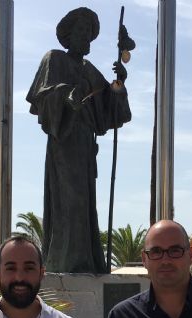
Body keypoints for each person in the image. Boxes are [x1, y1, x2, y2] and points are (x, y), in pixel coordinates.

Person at [26, 7, 131, 273]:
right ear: (69, 35)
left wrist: (119, 85)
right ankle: (66, 262)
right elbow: (43, 97)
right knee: (70, 202)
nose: (86, 38)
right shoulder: (55, 59)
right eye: (81, 32)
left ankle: (87, 261)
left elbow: (110, 109)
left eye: (89, 34)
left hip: (85, 143)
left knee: (85, 205)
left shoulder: (90, 69)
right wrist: (71, 95)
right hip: (65, 140)